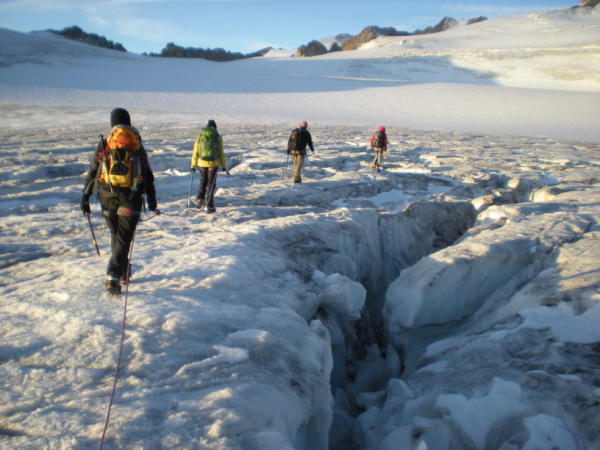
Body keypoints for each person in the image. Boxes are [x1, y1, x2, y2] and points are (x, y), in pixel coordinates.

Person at [80, 108, 159, 296]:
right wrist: (152, 200)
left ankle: (123, 270)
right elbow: (147, 174)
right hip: (131, 196)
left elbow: (93, 170)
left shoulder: (106, 143)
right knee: (123, 238)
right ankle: (113, 276)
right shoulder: (136, 144)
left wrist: (85, 196)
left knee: (117, 236)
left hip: (107, 195)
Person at [190, 119, 227, 213]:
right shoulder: (217, 136)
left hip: (201, 163)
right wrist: (223, 165)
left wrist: (193, 166)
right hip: (213, 164)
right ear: (215, 127)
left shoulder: (200, 136)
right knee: (211, 184)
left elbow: (195, 151)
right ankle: (209, 206)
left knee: (203, 181)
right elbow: (220, 152)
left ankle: (199, 199)